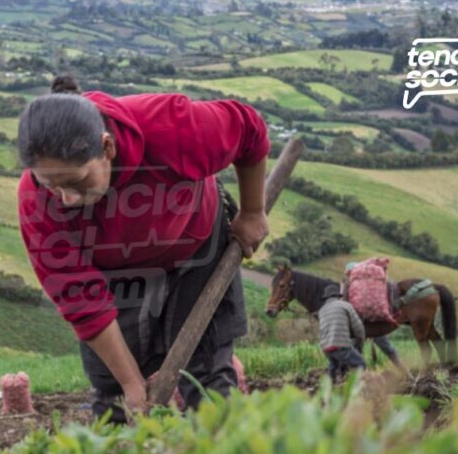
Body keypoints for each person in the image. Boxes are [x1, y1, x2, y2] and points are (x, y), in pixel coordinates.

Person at [17, 75, 271, 423]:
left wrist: (253, 212)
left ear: (107, 148)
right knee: (116, 396)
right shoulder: (35, 199)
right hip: (114, 271)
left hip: (194, 246)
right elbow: (82, 300)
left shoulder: (171, 127)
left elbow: (248, 130)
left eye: (77, 182)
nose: (68, 199)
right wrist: (131, 383)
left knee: (207, 369)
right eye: (52, 186)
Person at [317, 284, 367, 381]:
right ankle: (357, 390)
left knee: (334, 365)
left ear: (327, 298)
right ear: (338, 296)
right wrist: (360, 345)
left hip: (326, 347)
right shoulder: (346, 306)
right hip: (340, 345)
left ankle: (329, 390)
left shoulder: (321, 310)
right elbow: (359, 329)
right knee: (361, 363)